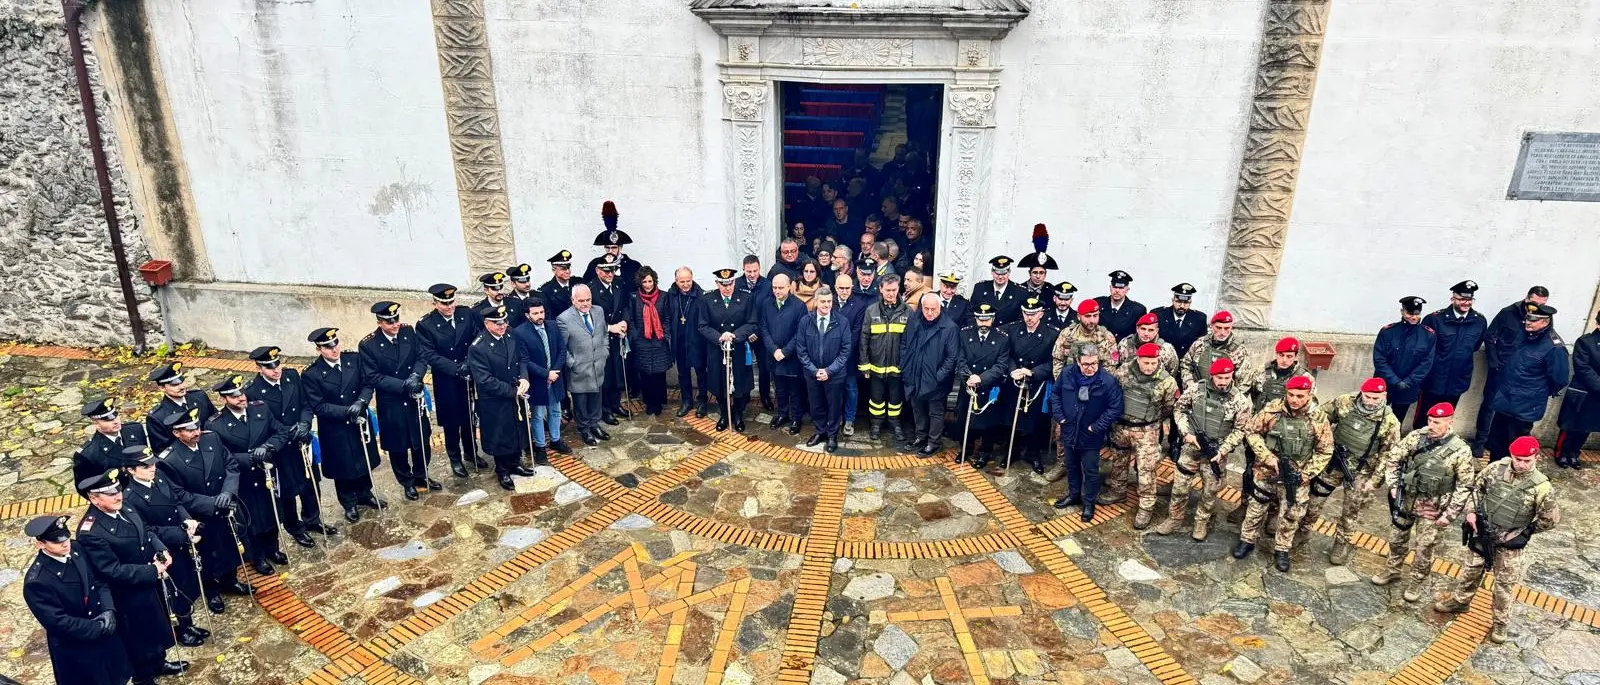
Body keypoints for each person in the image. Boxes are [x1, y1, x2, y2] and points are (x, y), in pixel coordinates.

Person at [1435, 435, 1559, 644]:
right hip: (1483, 532)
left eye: (1526, 461)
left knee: (1504, 584)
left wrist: (1523, 533)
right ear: (1511, 455)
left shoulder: (1542, 487)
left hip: (1510, 543)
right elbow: (1476, 489)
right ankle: (1460, 601)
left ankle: (1500, 622)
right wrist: (1472, 513)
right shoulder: (1495, 469)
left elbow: (1550, 519)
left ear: (1536, 458)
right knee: (1470, 570)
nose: (1520, 464)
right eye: (1517, 459)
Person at [73, 470, 185, 684]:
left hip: (148, 583)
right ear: (94, 498)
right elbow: (111, 570)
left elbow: (147, 531)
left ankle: (158, 661)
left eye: (117, 490)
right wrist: (152, 571)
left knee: (155, 627)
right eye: (109, 493)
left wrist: (161, 550)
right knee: (138, 639)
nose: (117, 496)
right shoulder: (91, 532)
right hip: (127, 595)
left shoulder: (124, 506)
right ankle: (144, 677)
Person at [1368, 402, 1475, 602]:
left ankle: (1417, 580)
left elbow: (1464, 486)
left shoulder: (1460, 450)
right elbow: (1393, 459)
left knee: (1424, 548)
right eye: (1430, 421)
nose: (1432, 425)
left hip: (1434, 507)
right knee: (1396, 538)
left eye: (1438, 422)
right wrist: (1392, 486)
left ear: (1450, 422)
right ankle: (1393, 569)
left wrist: (1449, 514)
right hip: (1407, 499)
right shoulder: (1416, 437)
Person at [1226, 375, 1333, 572]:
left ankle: (1282, 548)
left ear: (1309, 395)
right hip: (1267, 472)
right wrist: (1267, 456)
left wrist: (1307, 473)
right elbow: (1251, 431)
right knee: (1255, 508)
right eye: (1291, 394)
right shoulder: (1273, 409)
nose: (1294, 399)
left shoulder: (1318, 419)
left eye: (1300, 396)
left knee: (1291, 514)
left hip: (1297, 477)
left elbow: (1325, 450)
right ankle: (1247, 540)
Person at [155, 408, 249, 614]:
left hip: (225, 507)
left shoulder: (212, 439)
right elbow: (179, 495)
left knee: (228, 546)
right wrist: (213, 503)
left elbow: (231, 465)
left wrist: (228, 492)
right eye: (188, 430)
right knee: (207, 555)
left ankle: (230, 580)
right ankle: (212, 591)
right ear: (176, 433)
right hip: (201, 515)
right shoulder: (168, 460)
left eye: (196, 427)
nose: (196, 432)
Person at [22, 514, 133, 685]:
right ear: (40, 544)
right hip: (77, 646)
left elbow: (97, 580)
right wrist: (96, 627)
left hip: (104, 633)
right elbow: (58, 622)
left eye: (66, 537)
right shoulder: (37, 581)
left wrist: (108, 609)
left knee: (117, 676)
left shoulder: (76, 549)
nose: (65, 543)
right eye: (57, 542)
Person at [118, 446, 210, 646]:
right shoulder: (130, 498)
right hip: (164, 546)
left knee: (186, 584)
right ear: (131, 470)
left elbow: (176, 502)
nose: (152, 468)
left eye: (152, 463)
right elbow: (146, 529)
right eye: (145, 466)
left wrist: (187, 520)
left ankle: (188, 622)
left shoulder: (159, 478)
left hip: (182, 539)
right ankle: (180, 629)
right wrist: (180, 534)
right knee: (172, 591)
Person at [1302, 378, 1401, 565]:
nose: (1371, 401)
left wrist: (1375, 481)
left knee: (1351, 511)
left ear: (1385, 396)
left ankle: (1342, 542)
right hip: (1333, 463)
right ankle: (1303, 529)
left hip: (1361, 472)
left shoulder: (1389, 422)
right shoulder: (1345, 402)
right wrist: (1323, 441)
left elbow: (1388, 454)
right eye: (1368, 396)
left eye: (1376, 398)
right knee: (1314, 499)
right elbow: (1322, 416)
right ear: (1361, 392)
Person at [245, 346, 333, 548]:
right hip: (280, 448)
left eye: (277, 364)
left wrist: (304, 424)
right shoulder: (252, 391)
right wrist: (285, 433)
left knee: (311, 483)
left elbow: (306, 404)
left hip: (301, 441)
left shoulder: (291, 376)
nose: (276, 370)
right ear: (259, 368)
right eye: (269, 367)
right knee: (287, 491)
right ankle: (295, 527)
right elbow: (261, 424)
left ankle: (313, 519)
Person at [1156, 357, 1250, 540]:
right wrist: (1186, 433)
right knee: (1180, 488)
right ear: (1212, 376)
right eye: (1219, 378)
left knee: (1210, 492)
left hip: (1216, 454)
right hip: (1191, 449)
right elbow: (1179, 409)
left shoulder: (1240, 400)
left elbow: (1241, 430)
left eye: (1227, 378)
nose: (1223, 382)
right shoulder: (1196, 390)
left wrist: (1223, 450)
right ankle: (1174, 518)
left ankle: (1201, 522)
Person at [205, 375, 287, 576]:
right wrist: (249, 457)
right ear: (224, 399)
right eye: (234, 396)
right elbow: (221, 457)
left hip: (266, 472)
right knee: (251, 519)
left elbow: (280, 432)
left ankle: (273, 548)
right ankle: (256, 556)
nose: (241, 399)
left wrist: (268, 446)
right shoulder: (215, 425)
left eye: (241, 393)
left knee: (270, 512)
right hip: (243, 478)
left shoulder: (260, 408)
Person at [302, 327, 384, 523]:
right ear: (318, 349)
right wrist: (346, 411)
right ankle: (348, 503)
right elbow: (318, 405)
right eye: (328, 347)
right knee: (343, 466)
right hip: (336, 427)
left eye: (335, 343)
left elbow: (367, 383)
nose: (334, 349)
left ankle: (365, 493)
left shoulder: (353, 360)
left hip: (358, 420)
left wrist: (361, 402)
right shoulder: (312, 374)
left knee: (363, 458)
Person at [358, 301, 435, 500]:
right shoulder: (368, 345)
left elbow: (421, 356)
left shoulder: (408, 332)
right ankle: (406, 482)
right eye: (389, 322)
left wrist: (416, 376)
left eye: (396, 319)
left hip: (414, 396)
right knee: (398, 446)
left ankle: (421, 474)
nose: (395, 325)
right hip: (392, 401)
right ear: (379, 322)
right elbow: (372, 376)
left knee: (421, 439)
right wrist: (402, 385)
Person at [416, 283, 488, 478]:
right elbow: (429, 355)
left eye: (451, 302)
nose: (449, 306)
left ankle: (471, 452)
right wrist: (457, 368)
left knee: (468, 416)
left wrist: (469, 362)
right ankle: (455, 458)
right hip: (447, 378)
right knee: (451, 421)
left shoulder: (465, 314)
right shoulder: (426, 325)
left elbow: (477, 338)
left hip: (468, 373)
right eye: (444, 303)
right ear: (435, 303)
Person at [1485, 304, 1570, 461]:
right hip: (1505, 399)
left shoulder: (1554, 347)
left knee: (1515, 448)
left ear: (1545, 322)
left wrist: (1536, 392)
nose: (1528, 322)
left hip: (1524, 406)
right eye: (1527, 318)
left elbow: (1559, 379)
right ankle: (1493, 476)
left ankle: (1509, 480)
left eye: (1533, 320)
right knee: (1496, 443)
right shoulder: (1525, 335)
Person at [1107, 343, 1179, 527]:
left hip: (1147, 431)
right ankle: (1117, 491)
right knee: (1118, 461)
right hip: (1121, 427)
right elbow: (1113, 394)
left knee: (1147, 470)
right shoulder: (1123, 372)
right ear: (1137, 359)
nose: (1149, 367)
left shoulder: (1167, 381)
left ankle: (1146, 506)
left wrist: (1150, 420)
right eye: (1145, 362)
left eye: (1153, 363)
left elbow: (1169, 407)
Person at [1050, 344, 1124, 521]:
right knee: (1071, 465)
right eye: (1086, 364)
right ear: (1078, 362)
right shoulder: (1067, 374)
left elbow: (1115, 408)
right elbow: (1055, 395)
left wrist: (1097, 426)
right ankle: (1074, 494)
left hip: (1091, 434)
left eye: (1094, 363)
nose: (1090, 368)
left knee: (1090, 470)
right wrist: (1060, 417)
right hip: (1069, 429)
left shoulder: (1107, 381)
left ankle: (1089, 502)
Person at [1476, 286, 1551, 454]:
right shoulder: (1508, 312)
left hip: (1521, 375)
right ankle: (1481, 440)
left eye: (1541, 304)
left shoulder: (1543, 319)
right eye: (1533, 302)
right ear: (1526, 298)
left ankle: (1504, 446)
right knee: (1489, 404)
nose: (1536, 307)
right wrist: (1494, 363)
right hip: (1500, 369)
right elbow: (1490, 337)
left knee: (1510, 412)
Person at [469, 305, 536, 490]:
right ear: (486, 323)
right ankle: (502, 470)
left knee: (517, 429)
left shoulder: (510, 334)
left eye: (504, 321)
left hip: (516, 393)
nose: (502, 326)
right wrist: (512, 391)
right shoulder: (479, 347)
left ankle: (515, 463)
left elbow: (522, 357)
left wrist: (524, 377)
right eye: (497, 323)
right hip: (496, 399)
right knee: (501, 434)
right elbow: (485, 380)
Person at [996, 298, 1058, 474]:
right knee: (1011, 417)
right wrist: (1013, 370)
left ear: (1041, 314)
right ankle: (1012, 451)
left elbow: (1055, 361)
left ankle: (1033, 454)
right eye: (1026, 313)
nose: (1029, 317)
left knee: (1037, 420)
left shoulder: (1052, 333)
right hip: (1015, 380)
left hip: (1036, 382)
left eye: (1033, 314)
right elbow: (1005, 354)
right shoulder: (1012, 330)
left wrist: (1033, 372)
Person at [1418, 281, 1487, 428]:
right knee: (1424, 418)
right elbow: (1423, 349)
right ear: (1453, 299)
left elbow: (1473, 347)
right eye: (1462, 299)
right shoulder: (1435, 319)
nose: (1466, 303)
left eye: (1469, 300)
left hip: (1457, 380)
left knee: (1445, 418)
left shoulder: (1479, 321)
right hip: (1433, 379)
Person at [900, 293, 959, 457]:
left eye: (934, 309)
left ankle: (933, 442)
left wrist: (937, 377)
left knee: (935, 412)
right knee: (918, 409)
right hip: (914, 375)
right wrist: (906, 367)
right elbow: (904, 343)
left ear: (940, 308)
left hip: (936, 379)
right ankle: (920, 436)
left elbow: (952, 358)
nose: (930, 312)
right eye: (926, 308)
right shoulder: (914, 320)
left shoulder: (949, 327)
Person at [512, 297, 570, 463]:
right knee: (537, 415)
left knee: (555, 410)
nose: (539, 316)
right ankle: (540, 446)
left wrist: (555, 371)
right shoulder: (520, 332)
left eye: (542, 312)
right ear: (527, 315)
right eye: (535, 313)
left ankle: (556, 439)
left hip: (556, 377)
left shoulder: (552, 325)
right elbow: (525, 360)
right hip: (537, 380)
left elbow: (562, 350)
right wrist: (546, 374)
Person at [699, 268, 757, 432]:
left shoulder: (746, 297)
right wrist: (720, 337)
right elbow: (702, 325)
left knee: (738, 383)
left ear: (734, 282)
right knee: (719, 384)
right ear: (717, 283)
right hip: (717, 350)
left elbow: (752, 323)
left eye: (730, 283)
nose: (727, 287)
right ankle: (724, 414)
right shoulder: (708, 299)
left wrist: (734, 335)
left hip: (737, 348)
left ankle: (738, 414)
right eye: (723, 284)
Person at [798, 286, 854, 452]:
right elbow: (801, 350)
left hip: (835, 375)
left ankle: (832, 435)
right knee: (816, 405)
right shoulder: (805, 322)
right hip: (812, 374)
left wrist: (829, 371)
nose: (826, 305)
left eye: (829, 301)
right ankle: (820, 431)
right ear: (816, 302)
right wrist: (814, 370)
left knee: (834, 406)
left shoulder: (842, 321)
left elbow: (846, 351)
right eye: (823, 301)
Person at [955, 303, 1012, 466]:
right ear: (976, 319)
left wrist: (981, 378)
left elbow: (1001, 365)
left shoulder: (1002, 338)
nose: (983, 323)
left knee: (989, 422)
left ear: (992, 319)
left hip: (989, 385)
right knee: (965, 418)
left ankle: (985, 452)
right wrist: (968, 376)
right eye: (980, 320)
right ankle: (965, 448)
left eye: (987, 320)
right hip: (968, 384)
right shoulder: (965, 334)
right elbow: (960, 359)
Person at [557, 286, 611, 446]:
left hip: (598, 365)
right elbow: (562, 347)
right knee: (581, 401)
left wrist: (605, 351)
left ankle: (595, 424)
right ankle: (584, 429)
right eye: (581, 301)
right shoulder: (564, 319)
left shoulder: (598, 311)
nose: (585, 303)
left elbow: (604, 332)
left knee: (596, 397)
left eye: (588, 300)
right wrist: (572, 363)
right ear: (573, 300)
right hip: (578, 368)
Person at [860, 274, 911, 442]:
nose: (890, 293)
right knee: (876, 399)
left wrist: (906, 365)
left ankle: (895, 423)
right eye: (887, 290)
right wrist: (864, 364)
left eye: (894, 290)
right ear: (881, 289)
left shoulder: (907, 311)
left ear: (899, 289)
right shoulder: (871, 310)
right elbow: (864, 339)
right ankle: (876, 424)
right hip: (876, 366)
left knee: (896, 399)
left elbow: (911, 341)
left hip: (898, 366)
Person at [1373, 296, 1438, 422]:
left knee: (1397, 422)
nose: (1413, 317)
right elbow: (1379, 359)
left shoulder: (1428, 335)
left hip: (1408, 387)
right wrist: (1395, 381)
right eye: (1409, 313)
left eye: (1417, 314)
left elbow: (1426, 362)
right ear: (1402, 311)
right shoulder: (1388, 332)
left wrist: (1408, 382)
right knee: (1375, 419)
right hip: (1385, 384)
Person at [761, 273, 809, 436]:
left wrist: (785, 351)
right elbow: (764, 329)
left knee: (795, 390)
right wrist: (774, 350)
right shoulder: (767, 304)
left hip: (792, 357)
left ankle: (796, 418)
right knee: (779, 388)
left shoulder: (799, 306)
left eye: (781, 287)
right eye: (774, 287)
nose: (777, 291)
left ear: (789, 287)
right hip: (774, 356)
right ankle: (782, 414)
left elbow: (800, 333)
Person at [626, 268, 674, 417]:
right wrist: (634, 335)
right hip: (642, 340)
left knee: (659, 374)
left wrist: (665, 335)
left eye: (650, 281)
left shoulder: (664, 296)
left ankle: (658, 402)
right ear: (640, 282)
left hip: (659, 340)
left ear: (654, 281)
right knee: (645, 373)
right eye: (644, 281)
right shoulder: (634, 297)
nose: (648, 284)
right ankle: (649, 402)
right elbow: (631, 318)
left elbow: (667, 317)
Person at [588, 259, 632, 423]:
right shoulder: (591, 289)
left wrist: (624, 321)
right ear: (598, 271)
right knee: (605, 375)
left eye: (612, 270)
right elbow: (589, 317)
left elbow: (625, 306)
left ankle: (615, 404)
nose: (610, 274)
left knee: (617, 371)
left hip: (617, 336)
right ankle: (605, 409)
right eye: (606, 271)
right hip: (601, 337)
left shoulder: (619, 284)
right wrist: (609, 327)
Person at [1555, 310, 1599, 468]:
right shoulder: (1586, 342)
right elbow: (1583, 368)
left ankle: (1573, 453)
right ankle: (1561, 453)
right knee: (1570, 425)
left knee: (1586, 427)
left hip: (1596, 398)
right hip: (1582, 392)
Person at [143, 361, 216, 455]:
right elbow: (162, 451)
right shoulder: (157, 417)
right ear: (162, 388)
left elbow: (216, 423)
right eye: (175, 385)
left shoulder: (200, 397)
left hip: (212, 448)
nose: (182, 387)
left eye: (182, 382)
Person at [74, 397, 148, 486]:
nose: (116, 421)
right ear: (96, 424)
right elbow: (85, 486)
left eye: (116, 416)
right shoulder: (88, 454)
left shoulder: (135, 429)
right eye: (108, 420)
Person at [667, 267, 708, 418]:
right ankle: (686, 401)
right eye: (682, 281)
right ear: (676, 281)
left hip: (697, 341)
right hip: (679, 341)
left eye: (688, 281)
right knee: (682, 373)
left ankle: (702, 401)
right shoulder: (671, 295)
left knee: (701, 373)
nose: (686, 284)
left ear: (692, 278)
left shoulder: (701, 295)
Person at [737, 255, 774, 411]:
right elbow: (735, 312)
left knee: (764, 367)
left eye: (755, 270)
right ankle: (744, 395)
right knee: (744, 366)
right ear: (744, 269)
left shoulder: (767, 285)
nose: (752, 274)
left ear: (760, 268)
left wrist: (757, 331)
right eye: (749, 271)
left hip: (761, 333)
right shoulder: (736, 284)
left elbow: (769, 311)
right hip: (743, 333)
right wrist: (745, 332)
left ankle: (765, 396)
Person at [1180, 311, 1252, 390]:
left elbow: (1244, 383)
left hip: (1225, 397)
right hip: (1199, 392)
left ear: (1231, 327)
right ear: (1211, 326)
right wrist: (1191, 386)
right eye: (1218, 327)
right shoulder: (1200, 344)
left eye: (1226, 328)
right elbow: (1186, 366)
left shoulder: (1239, 350)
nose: (1222, 332)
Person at [835, 273, 869, 437]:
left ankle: (850, 419)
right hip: (831, 356)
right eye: (841, 288)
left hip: (850, 356)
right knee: (835, 388)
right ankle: (837, 416)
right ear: (835, 288)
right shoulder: (830, 302)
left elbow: (857, 332)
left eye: (847, 288)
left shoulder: (859, 305)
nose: (844, 291)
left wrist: (843, 353)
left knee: (851, 388)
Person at [1051, 299, 1118, 378]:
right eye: (1088, 316)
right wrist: (1065, 384)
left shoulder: (1107, 337)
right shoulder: (1067, 334)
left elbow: (1110, 368)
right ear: (1079, 316)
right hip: (1071, 380)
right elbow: (1058, 363)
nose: (1092, 320)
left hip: (1097, 383)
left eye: (1095, 315)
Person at [581, 200, 641, 286]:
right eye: (607, 247)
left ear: (620, 247)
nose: (610, 251)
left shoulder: (633, 266)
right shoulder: (595, 264)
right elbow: (586, 286)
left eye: (614, 248)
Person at [1249, 337, 1312, 412]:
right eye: (1281, 355)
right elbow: (1253, 393)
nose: (1284, 360)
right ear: (1276, 354)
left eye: (1289, 356)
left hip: (1287, 420)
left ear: (1295, 356)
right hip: (1260, 417)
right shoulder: (1261, 371)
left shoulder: (1305, 378)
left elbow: (1309, 405)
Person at [1152, 283, 1207, 359]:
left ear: (1190, 302)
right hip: (1163, 360)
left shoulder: (1199, 319)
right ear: (1172, 300)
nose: (1182, 306)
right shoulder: (1159, 315)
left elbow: (1201, 345)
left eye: (1186, 303)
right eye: (1178, 301)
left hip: (1186, 363)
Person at [1113, 312, 1178, 376]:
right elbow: (1116, 366)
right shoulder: (1124, 344)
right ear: (1137, 329)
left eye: (1151, 330)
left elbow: (1172, 373)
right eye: (1143, 329)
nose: (1146, 333)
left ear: (1156, 331)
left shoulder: (1166, 349)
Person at [970, 256, 1023, 326]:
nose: (1000, 277)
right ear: (992, 272)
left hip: (1008, 334)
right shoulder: (980, 288)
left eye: (1004, 273)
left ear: (1009, 272)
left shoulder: (1020, 292)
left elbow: (1021, 321)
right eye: (997, 273)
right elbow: (970, 314)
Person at [1095, 270, 1146, 340]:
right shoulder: (1098, 304)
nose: (1117, 290)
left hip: (1123, 349)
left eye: (1121, 288)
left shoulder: (1137, 310)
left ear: (1127, 290)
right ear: (1110, 287)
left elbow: (1140, 336)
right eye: (1114, 287)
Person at [539, 250, 583, 323]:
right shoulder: (547, 290)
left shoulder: (578, 282)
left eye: (568, 267)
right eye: (563, 269)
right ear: (554, 270)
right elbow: (550, 318)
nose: (568, 271)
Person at [504, 263, 538, 328]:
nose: (527, 284)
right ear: (513, 284)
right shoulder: (507, 302)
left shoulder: (539, 296)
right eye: (522, 282)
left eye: (528, 280)